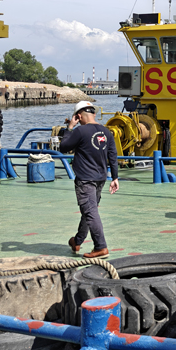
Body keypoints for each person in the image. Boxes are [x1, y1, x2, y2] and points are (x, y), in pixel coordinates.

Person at [59, 100, 119, 258]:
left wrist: (70, 127)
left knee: (90, 211)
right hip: (101, 178)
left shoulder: (80, 131)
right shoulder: (106, 132)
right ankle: (77, 241)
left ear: (78, 116)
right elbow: (112, 155)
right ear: (94, 113)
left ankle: (101, 247)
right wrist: (115, 177)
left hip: (85, 179)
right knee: (89, 210)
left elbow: (63, 147)